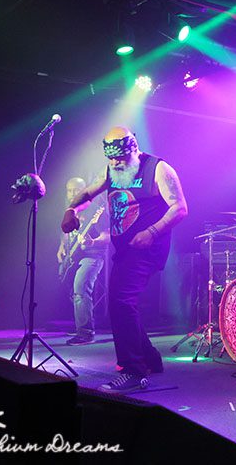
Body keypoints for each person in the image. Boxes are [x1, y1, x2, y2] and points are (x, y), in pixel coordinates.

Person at [61, 127, 188, 393]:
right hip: (125, 250)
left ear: (134, 149)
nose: (116, 163)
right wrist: (71, 209)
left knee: (120, 301)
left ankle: (133, 371)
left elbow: (180, 208)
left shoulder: (157, 169)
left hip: (147, 248)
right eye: (111, 159)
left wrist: (151, 232)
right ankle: (150, 359)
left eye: (120, 158)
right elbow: (88, 193)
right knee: (124, 302)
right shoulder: (111, 171)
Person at [57, 177, 109, 345]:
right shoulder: (70, 210)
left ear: (85, 191)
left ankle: (86, 333)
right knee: (73, 291)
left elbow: (107, 237)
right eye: (69, 190)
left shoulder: (96, 211)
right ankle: (82, 325)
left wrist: (92, 242)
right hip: (73, 256)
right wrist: (61, 247)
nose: (72, 193)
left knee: (80, 288)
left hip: (92, 255)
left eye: (76, 190)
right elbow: (65, 233)